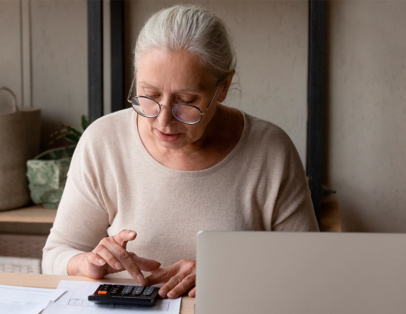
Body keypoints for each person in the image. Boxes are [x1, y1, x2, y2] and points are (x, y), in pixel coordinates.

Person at [42, 4, 319, 299]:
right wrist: (86, 262)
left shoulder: (270, 151)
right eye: (149, 96)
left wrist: (227, 270)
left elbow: (312, 268)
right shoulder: (104, 142)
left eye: (186, 101)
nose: (163, 121)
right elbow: (54, 255)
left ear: (222, 88)